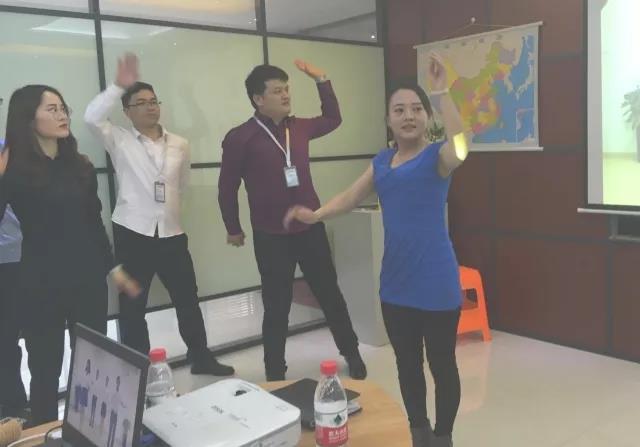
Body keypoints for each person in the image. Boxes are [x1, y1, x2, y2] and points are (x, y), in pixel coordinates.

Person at [285, 54, 468, 447]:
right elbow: (351, 197)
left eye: (416, 109)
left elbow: (461, 147)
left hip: (437, 282)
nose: (408, 116)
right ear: (388, 120)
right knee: (407, 365)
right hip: (395, 285)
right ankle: (419, 433)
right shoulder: (382, 162)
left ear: (427, 117)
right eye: (399, 110)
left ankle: (443, 438)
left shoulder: (437, 157)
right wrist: (316, 215)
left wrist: (441, 92)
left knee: (442, 365)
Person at [84, 53, 234, 376]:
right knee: (133, 306)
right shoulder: (119, 139)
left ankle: (201, 358)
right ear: (127, 111)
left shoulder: (179, 143)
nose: (150, 107)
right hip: (132, 232)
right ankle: (138, 369)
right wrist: (117, 85)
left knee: (187, 298)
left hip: (171, 233)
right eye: (141, 103)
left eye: (154, 101)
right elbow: (91, 118)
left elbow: (182, 185)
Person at [218, 60, 366, 381]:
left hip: (309, 227)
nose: (286, 95)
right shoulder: (240, 138)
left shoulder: (299, 127)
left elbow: (333, 118)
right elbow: (227, 187)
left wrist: (321, 79)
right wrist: (233, 227)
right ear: (258, 99)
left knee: (329, 295)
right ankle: (275, 371)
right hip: (270, 235)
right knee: (276, 306)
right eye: (277, 91)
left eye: (287, 89)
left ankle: (351, 353)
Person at [0, 85, 138, 424]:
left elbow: (93, 222)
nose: (62, 115)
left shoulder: (80, 165)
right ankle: (44, 429)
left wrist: (113, 268)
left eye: (63, 108)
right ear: (28, 118)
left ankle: (91, 428)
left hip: (87, 278)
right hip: (39, 281)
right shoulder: (13, 170)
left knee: (93, 360)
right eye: (52, 109)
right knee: (45, 365)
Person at [0, 199, 27, 419]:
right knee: (6, 341)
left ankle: (15, 407)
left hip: (21, 258)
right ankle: (13, 406)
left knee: (9, 339)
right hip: (11, 258)